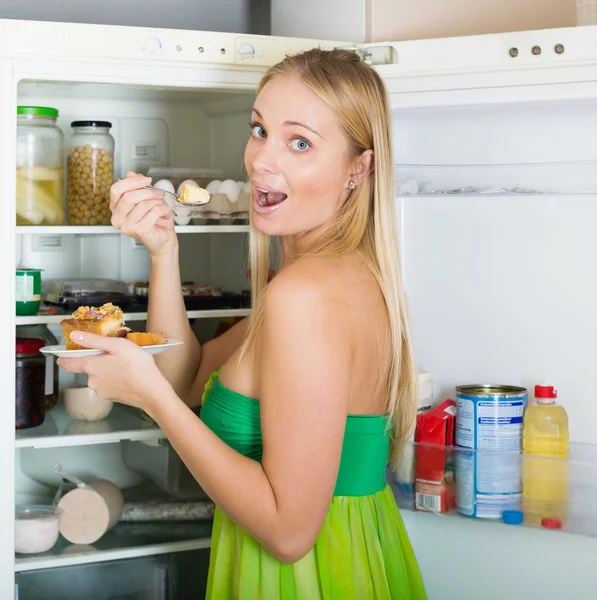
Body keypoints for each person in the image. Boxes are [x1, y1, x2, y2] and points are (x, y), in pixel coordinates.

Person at [58, 48, 427, 599]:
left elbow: (289, 533)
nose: (260, 160)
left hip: (307, 579)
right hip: (358, 558)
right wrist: (164, 253)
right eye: (259, 130)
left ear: (359, 167)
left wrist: (150, 396)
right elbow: (189, 377)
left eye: (299, 141)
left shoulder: (304, 295)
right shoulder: (337, 277)